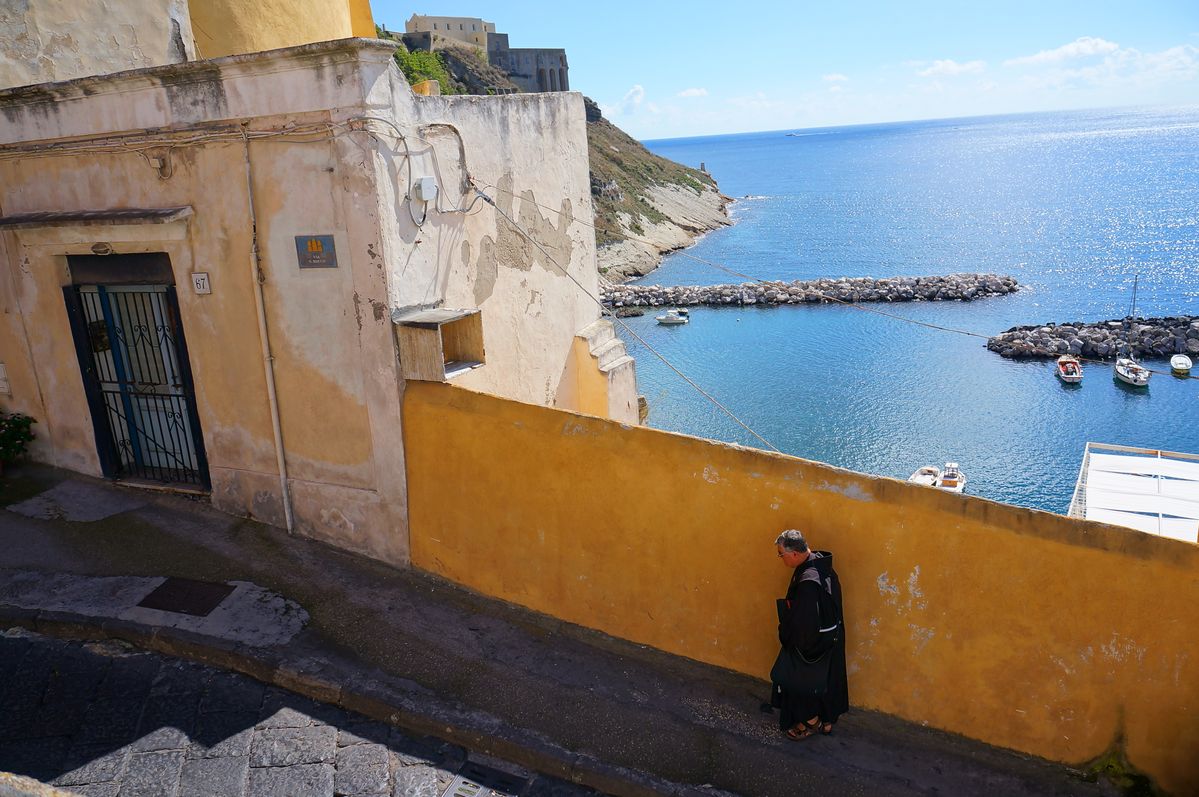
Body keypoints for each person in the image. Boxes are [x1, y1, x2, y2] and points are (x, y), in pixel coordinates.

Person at [772, 528, 848, 740]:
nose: (781, 559)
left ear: (794, 554)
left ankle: (809, 723)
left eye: (781, 554)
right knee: (826, 681)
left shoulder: (807, 584)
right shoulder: (823, 567)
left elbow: (802, 625)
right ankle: (825, 722)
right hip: (831, 636)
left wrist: (786, 636)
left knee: (802, 683)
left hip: (812, 644)